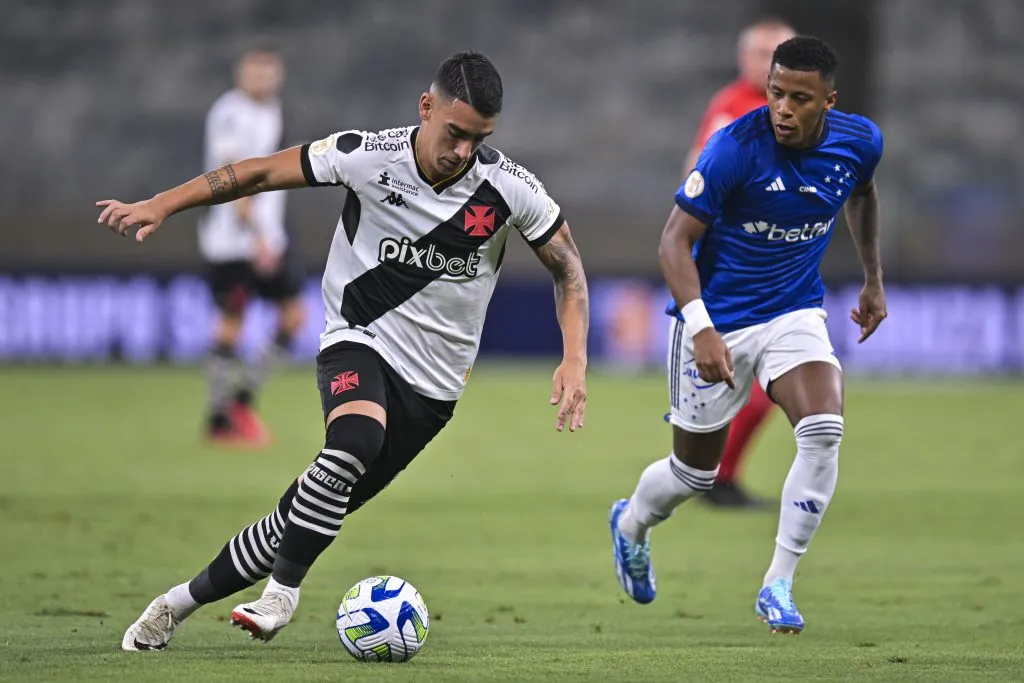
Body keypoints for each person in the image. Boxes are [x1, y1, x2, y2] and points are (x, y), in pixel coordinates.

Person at [100, 51, 589, 650]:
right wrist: (163, 204)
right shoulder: (366, 155)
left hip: (433, 390)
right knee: (355, 440)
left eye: (478, 140)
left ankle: (172, 606)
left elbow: (569, 270)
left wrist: (575, 358)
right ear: (426, 107)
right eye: (454, 134)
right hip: (357, 339)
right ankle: (283, 596)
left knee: (300, 516)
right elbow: (255, 173)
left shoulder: (509, 190)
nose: (462, 151)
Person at [609, 36, 886, 634]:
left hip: (793, 312)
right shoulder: (735, 146)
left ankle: (777, 584)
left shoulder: (859, 141)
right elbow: (672, 242)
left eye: (799, 98)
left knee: (823, 430)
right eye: (776, 93)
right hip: (719, 319)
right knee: (694, 475)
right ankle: (631, 523)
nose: (782, 108)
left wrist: (872, 278)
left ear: (829, 103)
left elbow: (860, 193)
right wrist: (702, 329)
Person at [682, 18, 796, 509]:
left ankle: (713, 473)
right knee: (761, 373)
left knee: (771, 375)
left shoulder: (786, 108)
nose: (773, 63)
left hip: (768, 261)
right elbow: (701, 176)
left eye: (783, 52)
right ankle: (710, 474)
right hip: (735, 261)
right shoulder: (735, 108)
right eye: (765, 53)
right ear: (744, 60)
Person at [198, 46, 306, 448]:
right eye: (255, 71)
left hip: (268, 236)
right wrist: (256, 234)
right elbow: (233, 178)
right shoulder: (230, 112)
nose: (262, 79)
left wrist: (269, 234)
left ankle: (240, 401)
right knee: (232, 321)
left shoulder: (273, 110)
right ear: (241, 73)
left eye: (269, 72)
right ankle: (218, 416)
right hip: (233, 242)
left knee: (294, 315)